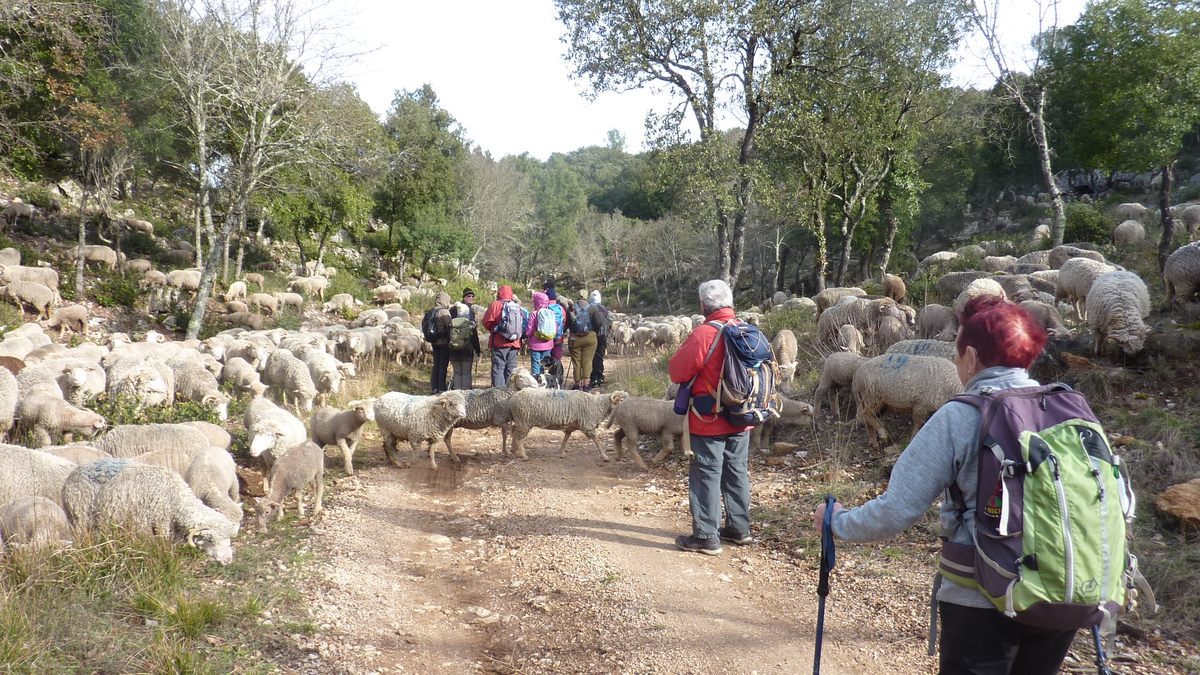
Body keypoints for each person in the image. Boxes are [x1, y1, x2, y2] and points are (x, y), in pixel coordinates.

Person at [813, 296, 1063, 675]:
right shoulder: (1067, 409)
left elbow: (899, 508)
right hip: (1062, 594)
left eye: (958, 351)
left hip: (984, 596)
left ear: (971, 357)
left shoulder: (961, 416)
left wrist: (837, 521)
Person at [667, 279, 752, 555]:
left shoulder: (704, 334)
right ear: (730, 301)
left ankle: (706, 536)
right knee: (736, 471)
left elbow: (678, 371)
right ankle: (739, 529)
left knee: (706, 473)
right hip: (742, 416)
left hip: (709, 419)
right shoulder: (748, 330)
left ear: (703, 305)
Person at [482, 285, 522, 387]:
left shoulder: (496, 304)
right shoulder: (515, 305)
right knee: (511, 368)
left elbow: (486, 321)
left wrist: (494, 329)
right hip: (514, 342)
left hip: (500, 342)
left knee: (498, 368)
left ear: (499, 293)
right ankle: (510, 393)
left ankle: (499, 395)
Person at [448, 288, 481, 390]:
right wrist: (477, 348)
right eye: (468, 296)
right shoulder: (469, 311)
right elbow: (473, 333)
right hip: (467, 348)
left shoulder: (452, 310)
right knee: (466, 373)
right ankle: (466, 395)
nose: (471, 298)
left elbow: (448, 329)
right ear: (464, 297)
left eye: (472, 296)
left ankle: (456, 393)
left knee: (457, 372)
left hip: (453, 348)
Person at [525, 290, 561, 383]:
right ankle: (545, 383)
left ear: (536, 301)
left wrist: (529, 335)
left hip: (535, 345)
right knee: (545, 365)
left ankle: (536, 384)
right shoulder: (551, 312)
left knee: (536, 365)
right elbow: (555, 329)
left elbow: (529, 330)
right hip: (548, 343)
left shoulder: (534, 313)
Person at [566, 290, 599, 391]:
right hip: (589, 337)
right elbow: (599, 322)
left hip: (574, 338)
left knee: (576, 362)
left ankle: (577, 384)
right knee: (587, 361)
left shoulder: (571, 308)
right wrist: (594, 332)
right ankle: (586, 384)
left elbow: (567, 323)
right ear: (587, 297)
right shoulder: (592, 308)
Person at [422, 292, 453, 394]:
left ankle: (434, 387)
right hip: (443, 342)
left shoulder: (431, 311)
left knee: (436, 364)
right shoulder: (444, 312)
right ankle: (441, 388)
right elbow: (449, 325)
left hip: (434, 341)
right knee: (443, 365)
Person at [588, 290, 612, 388]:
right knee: (600, 356)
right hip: (603, 336)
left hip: (593, 335)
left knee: (592, 357)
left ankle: (593, 378)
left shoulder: (589, 308)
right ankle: (600, 377)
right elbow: (610, 322)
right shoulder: (604, 309)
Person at [543, 282, 567, 366]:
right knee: (557, 360)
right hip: (558, 339)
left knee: (545, 362)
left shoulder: (544, 308)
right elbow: (565, 323)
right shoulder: (561, 308)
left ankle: (546, 378)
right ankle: (557, 377)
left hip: (545, 339)